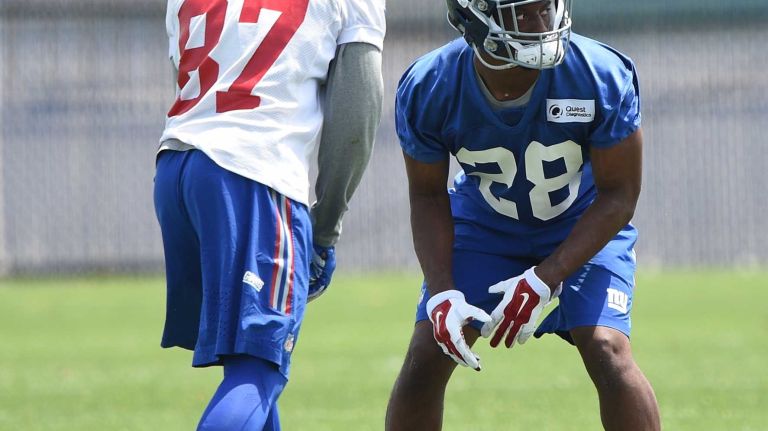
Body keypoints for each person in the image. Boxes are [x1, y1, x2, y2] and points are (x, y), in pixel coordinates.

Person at [385, 0, 660, 430]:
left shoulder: (598, 73)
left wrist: (546, 276)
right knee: (427, 357)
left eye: (545, 9)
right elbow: (426, 195)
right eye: (523, 13)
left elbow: (620, 195)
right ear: (477, 18)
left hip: (581, 218)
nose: (542, 23)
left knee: (607, 349)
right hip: (487, 224)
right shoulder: (430, 85)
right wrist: (441, 292)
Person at [153, 0, 385, 429]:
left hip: (177, 171)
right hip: (254, 176)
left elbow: (186, 81)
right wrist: (327, 225)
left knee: (248, 360)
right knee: (258, 369)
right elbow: (357, 112)